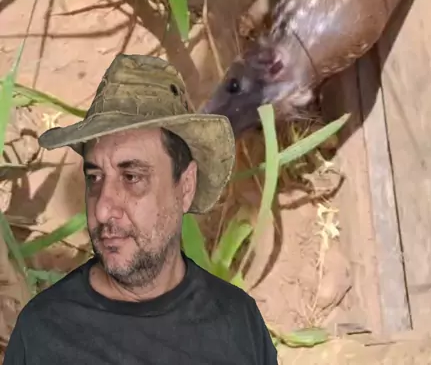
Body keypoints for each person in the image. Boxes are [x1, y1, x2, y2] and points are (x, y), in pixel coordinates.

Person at [4, 53, 278, 363]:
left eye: (132, 177)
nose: (103, 210)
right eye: (95, 178)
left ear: (186, 187)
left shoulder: (238, 324)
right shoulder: (43, 334)